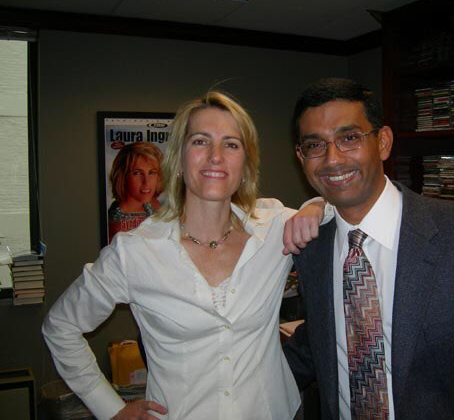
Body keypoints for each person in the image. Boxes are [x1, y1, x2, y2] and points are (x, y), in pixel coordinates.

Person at [43, 91, 325, 420]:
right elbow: (60, 327)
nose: (216, 156)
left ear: (246, 166)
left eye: (231, 144)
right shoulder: (135, 252)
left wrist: (316, 205)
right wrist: (111, 409)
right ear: (178, 159)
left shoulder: (275, 229)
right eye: (201, 142)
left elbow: (343, 206)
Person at [282, 78, 454, 419]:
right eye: (315, 145)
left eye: (349, 138)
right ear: (301, 156)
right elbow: (318, 342)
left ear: (383, 142)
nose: (332, 160)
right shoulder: (311, 248)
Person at [108, 141, 163, 243]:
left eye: (151, 172)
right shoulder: (116, 224)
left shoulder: (154, 205)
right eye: (137, 173)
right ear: (122, 177)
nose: (146, 182)